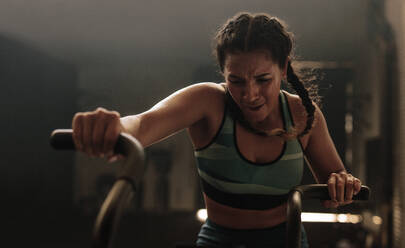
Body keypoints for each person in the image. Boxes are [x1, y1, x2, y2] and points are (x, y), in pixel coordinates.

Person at [72, 12, 362, 248]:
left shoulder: (302, 114)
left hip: (286, 241)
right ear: (223, 73)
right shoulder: (208, 102)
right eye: (236, 81)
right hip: (220, 240)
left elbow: (335, 182)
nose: (250, 94)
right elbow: (142, 124)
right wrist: (112, 126)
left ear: (284, 68)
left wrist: (342, 184)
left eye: (262, 79)